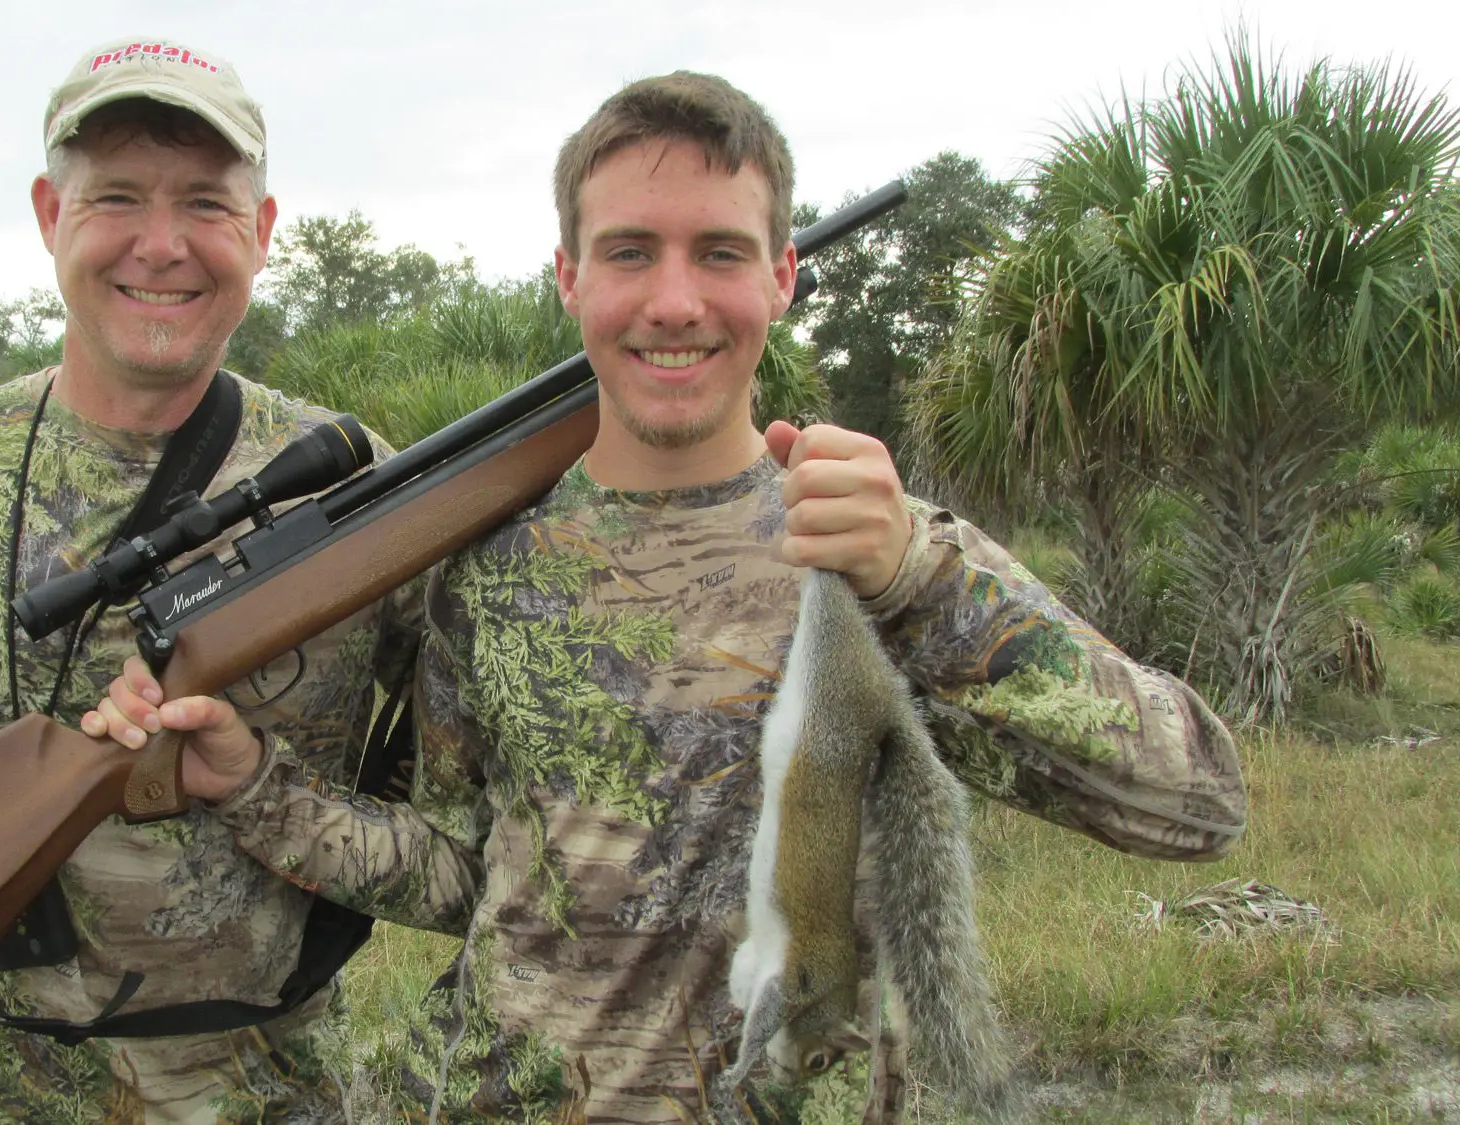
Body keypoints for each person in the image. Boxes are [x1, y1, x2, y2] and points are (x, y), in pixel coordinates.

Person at [85, 73, 1248, 1122]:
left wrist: (916, 582)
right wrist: (258, 790)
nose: (675, 300)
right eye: (630, 251)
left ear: (783, 276)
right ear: (569, 278)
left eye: (722, 253)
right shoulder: (480, 572)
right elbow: (465, 873)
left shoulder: (883, 556)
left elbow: (1193, 804)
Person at [0, 35, 416, 1123]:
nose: (160, 245)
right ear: (48, 214)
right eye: (116, 195)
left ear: (261, 232)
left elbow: (470, 795)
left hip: (271, 1093)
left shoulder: (359, 494)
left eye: (206, 204)